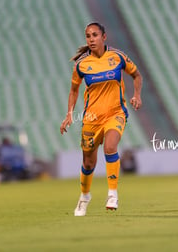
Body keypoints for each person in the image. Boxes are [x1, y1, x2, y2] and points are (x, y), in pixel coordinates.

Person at [60, 22, 143, 216]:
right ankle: (84, 196)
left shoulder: (118, 57)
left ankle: (112, 194)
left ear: (104, 37)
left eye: (95, 35)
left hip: (116, 113)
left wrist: (137, 95)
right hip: (91, 119)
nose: (91, 39)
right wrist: (69, 114)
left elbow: (136, 75)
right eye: (88, 36)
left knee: (110, 147)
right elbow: (73, 90)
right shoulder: (82, 65)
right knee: (88, 163)